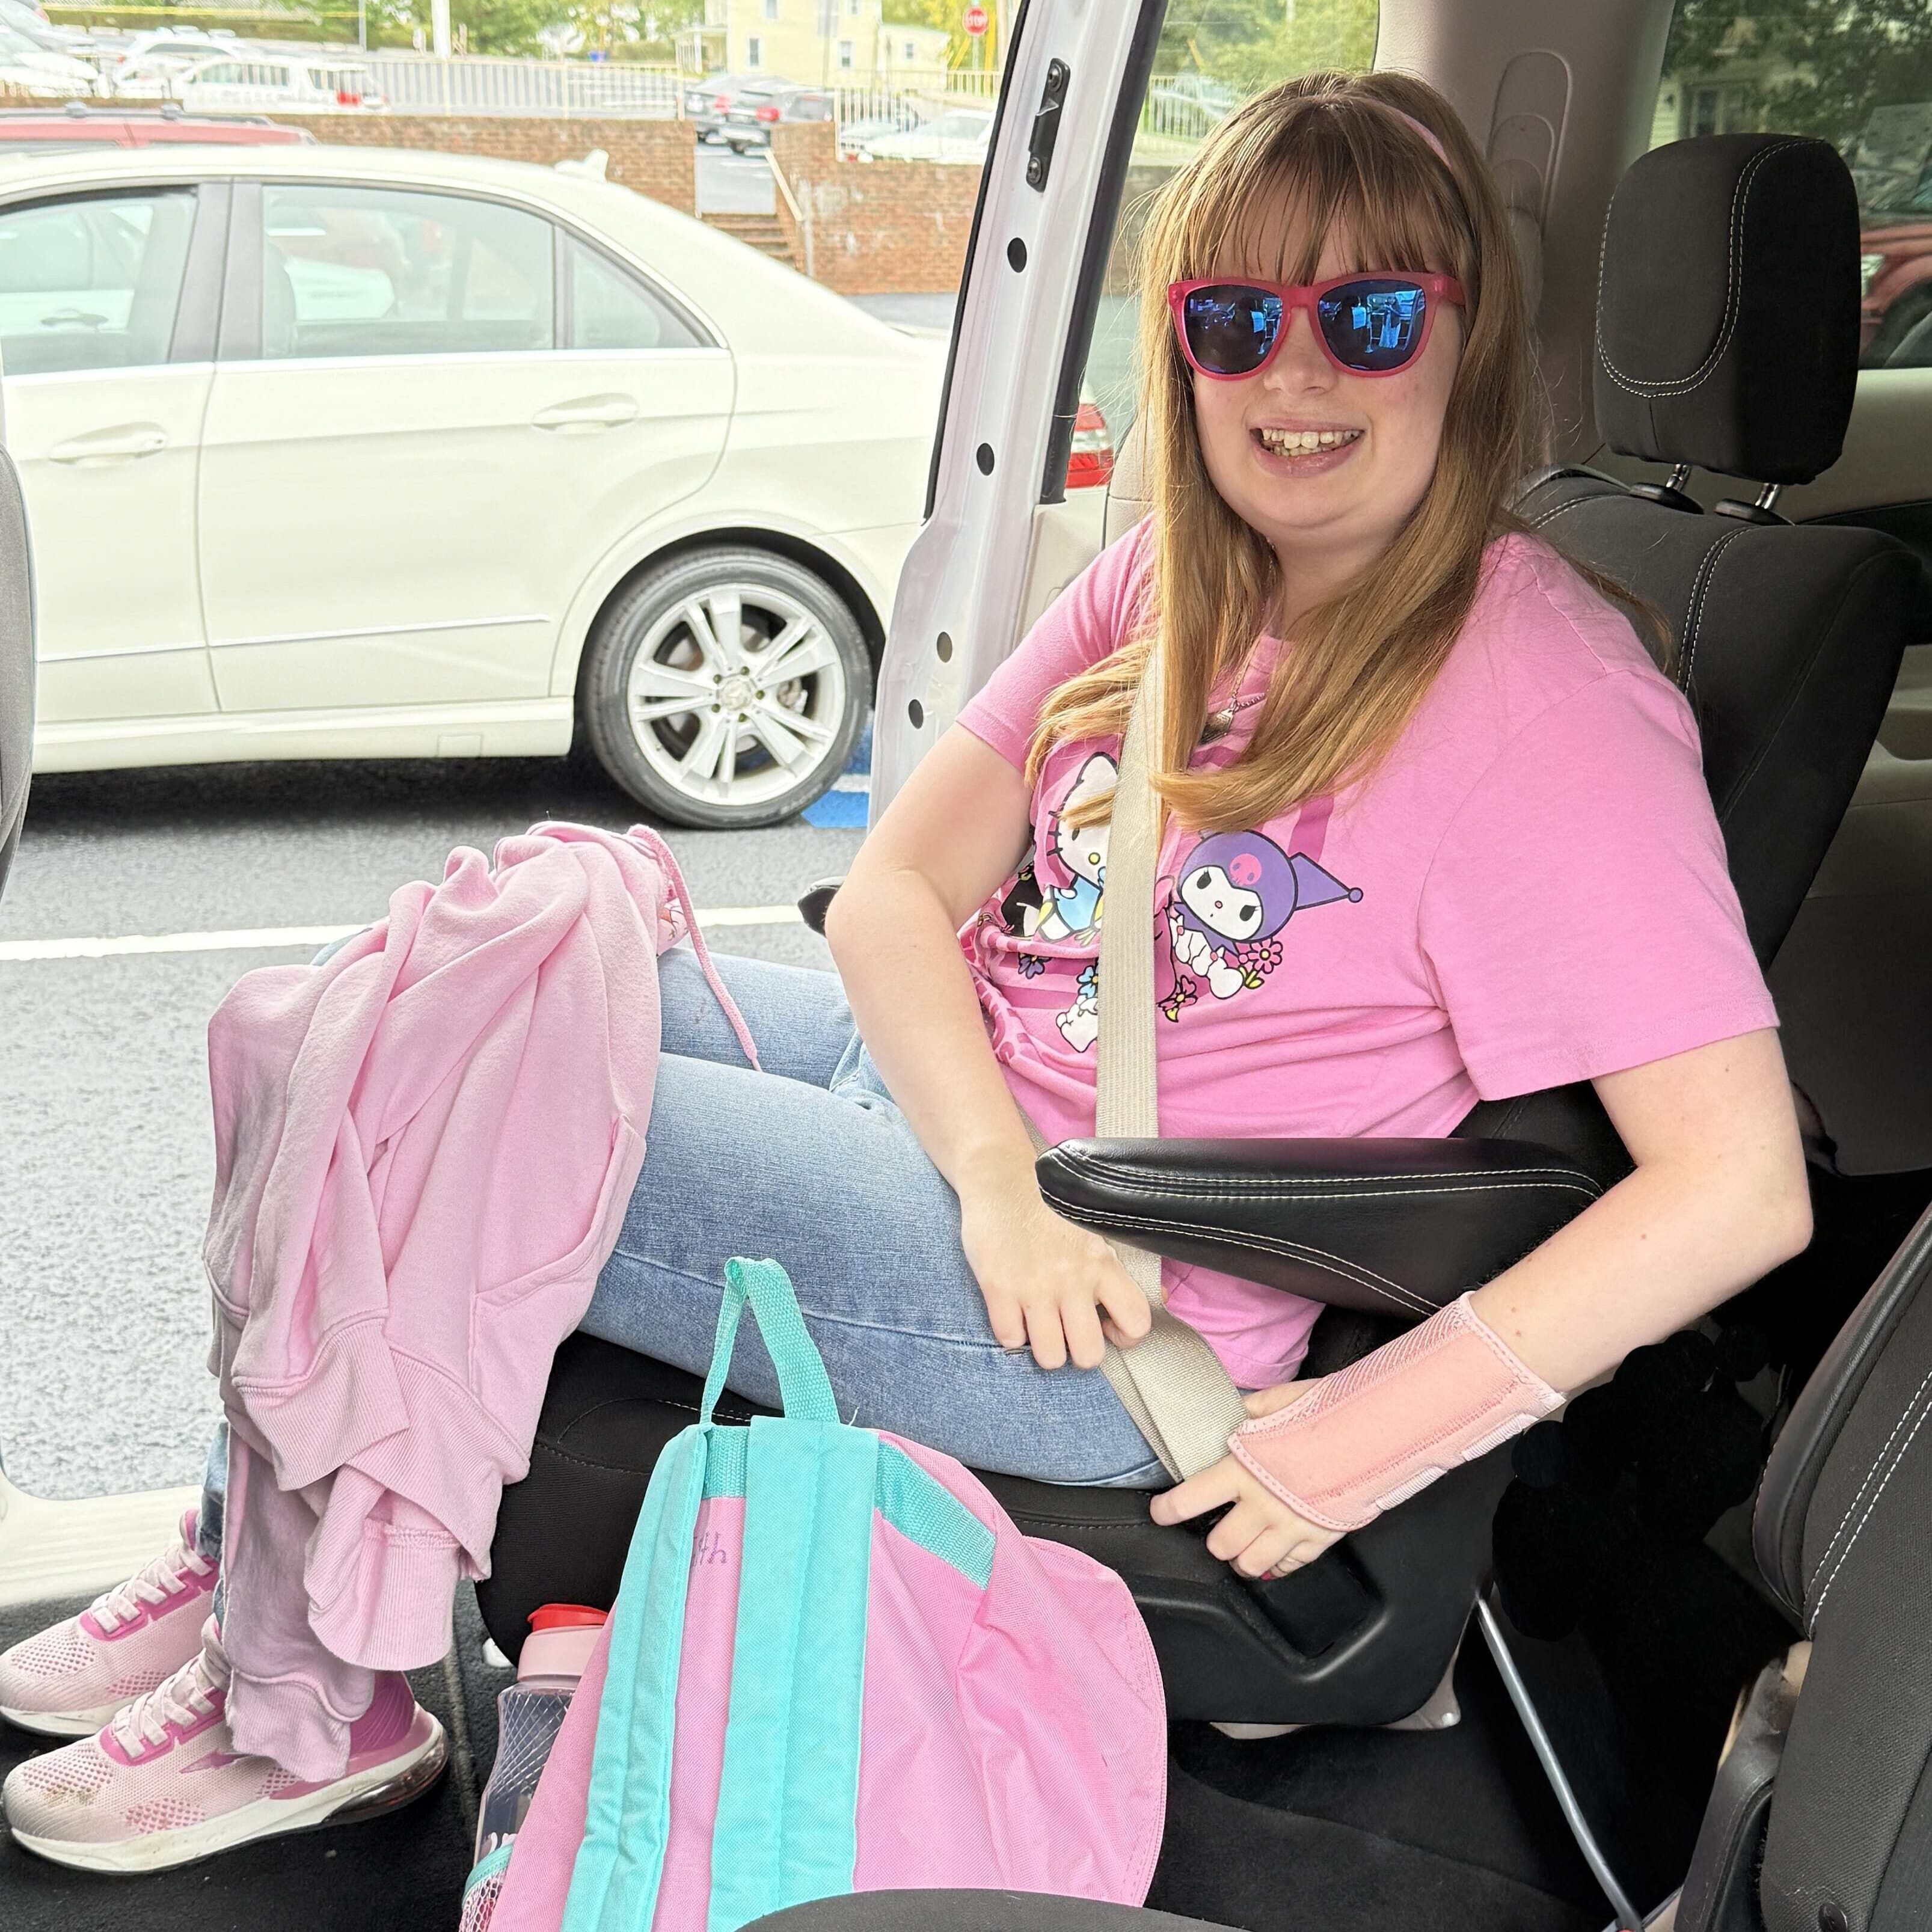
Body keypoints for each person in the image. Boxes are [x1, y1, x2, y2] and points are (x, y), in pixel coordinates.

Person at [1, 69, 1811, 1871]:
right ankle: (253, 1532)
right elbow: (889, 901)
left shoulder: (1546, 696)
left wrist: (1371, 1438)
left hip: (1115, 1299)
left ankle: (324, 1692)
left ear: (1463, 341)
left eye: (1372, 315)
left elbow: (1739, 1188)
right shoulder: (1177, 583)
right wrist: (995, 1171)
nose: (1301, 372)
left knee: (439, 1097)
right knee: (396, 1000)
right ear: (1182, 351)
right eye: (1240, 318)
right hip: (983, 1155)